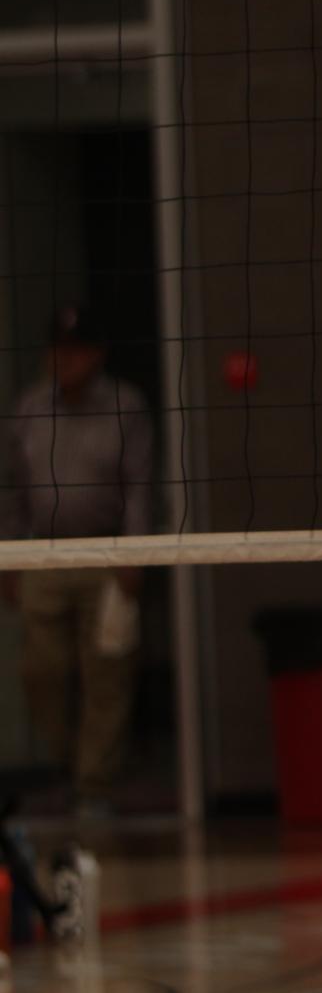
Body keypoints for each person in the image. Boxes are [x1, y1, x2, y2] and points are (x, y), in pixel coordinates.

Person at [1, 306, 153, 815]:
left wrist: (134, 553)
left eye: (75, 350)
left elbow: (139, 488)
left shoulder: (124, 406)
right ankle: (69, 763)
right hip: (43, 552)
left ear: (96, 354)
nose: (63, 360)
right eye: (56, 349)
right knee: (40, 671)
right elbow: (13, 488)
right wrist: (9, 554)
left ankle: (94, 786)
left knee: (106, 670)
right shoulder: (28, 407)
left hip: (107, 552)